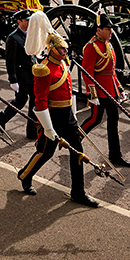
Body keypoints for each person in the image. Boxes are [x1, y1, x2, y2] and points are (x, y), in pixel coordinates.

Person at [16, 11, 98, 208]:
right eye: (61, 50)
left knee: (78, 151)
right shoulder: (44, 70)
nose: (64, 52)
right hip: (51, 117)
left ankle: (78, 192)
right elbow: (40, 102)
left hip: (67, 116)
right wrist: (48, 128)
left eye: (65, 49)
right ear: (51, 49)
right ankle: (25, 175)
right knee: (46, 151)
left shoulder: (64, 64)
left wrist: (73, 116)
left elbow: (68, 93)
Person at [80, 13, 130, 167]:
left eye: (111, 29)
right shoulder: (91, 46)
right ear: (98, 30)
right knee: (94, 119)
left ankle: (115, 155)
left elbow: (111, 70)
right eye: (108, 29)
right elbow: (87, 72)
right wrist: (92, 93)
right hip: (99, 90)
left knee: (113, 122)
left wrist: (119, 89)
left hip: (111, 89)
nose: (111, 32)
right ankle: (75, 140)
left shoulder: (108, 44)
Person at [0, 9, 38, 140]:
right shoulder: (13, 38)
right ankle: (3, 116)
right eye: (26, 20)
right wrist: (13, 80)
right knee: (21, 101)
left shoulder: (30, 34)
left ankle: (31, 130)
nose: (29, 22)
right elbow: (10, 61)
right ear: (19, 21)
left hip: (31, 73)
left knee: (34, 101)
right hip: (21, 75)